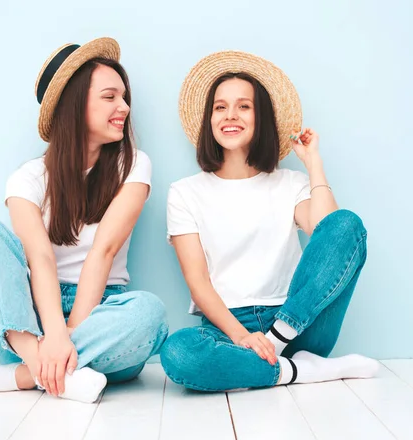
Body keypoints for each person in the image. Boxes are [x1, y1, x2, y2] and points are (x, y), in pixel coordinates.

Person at [0, 37, 168, 403]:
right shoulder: (27, 179)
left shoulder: (134, 164)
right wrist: (50, 335)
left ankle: (21, 376)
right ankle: (42, 365)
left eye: (124, 97)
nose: (124, 107)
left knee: (151, 314)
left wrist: (69, 335)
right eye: (110, 97)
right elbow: (40, 259)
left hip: (102, 313)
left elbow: (104, 250)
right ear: (75, 104)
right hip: (27, 322)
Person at [160, 50, 378, 391]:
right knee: (178, 354)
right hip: (229, 327)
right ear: (209, 119)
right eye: (220, 107)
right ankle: (300, 371)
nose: (230, 115)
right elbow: (198, 284)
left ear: (260, 117)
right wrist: (243, 336)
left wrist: (312, 163)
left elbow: (331, 231)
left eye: (243, 106)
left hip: (299, 320)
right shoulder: (185, 193)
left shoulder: (288, 184)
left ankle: (276, 351)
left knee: (347, 222)